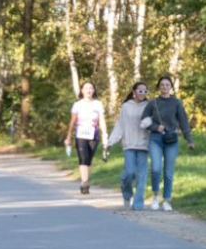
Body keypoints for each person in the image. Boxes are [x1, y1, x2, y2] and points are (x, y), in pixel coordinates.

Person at [140, 75, 195, 211]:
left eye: (167, 85)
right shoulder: (153, 103)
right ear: (159, 87)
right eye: (162, 85)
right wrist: (154, 127)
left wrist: (189, 140)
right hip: (156, 139)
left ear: (171, 87)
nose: (164, 87)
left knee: (168, 172)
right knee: (156, 168)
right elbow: (143, 121)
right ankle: (155, 196)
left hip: (172, 140)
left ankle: (167, 200)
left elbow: (183, 122)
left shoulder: (176, 103)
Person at [107, 82, 151, 210]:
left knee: (141, 176)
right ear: (134, 92)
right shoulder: (126, 107)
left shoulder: (149, 106)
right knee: (129, 173)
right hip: (129, 144)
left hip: (144, 144)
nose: (142, 94)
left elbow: (154, 123)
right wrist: (111, 142)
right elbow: (120, 126)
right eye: (140, 91)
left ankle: (138, 204)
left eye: (145, 91)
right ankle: (126, 194)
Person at [64, 81, 108, 194]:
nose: (88, 90)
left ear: (94, 90)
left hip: (94, 135)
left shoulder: (98, 104)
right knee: (83, 158)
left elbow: (102, 121)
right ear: (82, 91)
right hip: (81, 135)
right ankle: (84, 182)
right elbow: (72, 122)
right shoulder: (77, 105)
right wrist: (68, 136)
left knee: (88, 159)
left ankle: (86, 179)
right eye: (86, 88)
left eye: (91, 88)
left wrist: (105, 136)